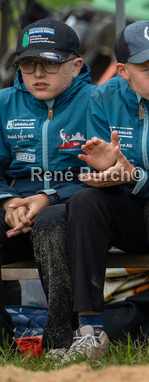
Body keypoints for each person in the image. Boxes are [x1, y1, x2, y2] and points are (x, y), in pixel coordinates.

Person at [57, 20, 149, 361]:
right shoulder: (103, 96)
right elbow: (92, 161)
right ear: (124, 71)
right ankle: (89, 330)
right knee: (84, 202)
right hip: (125, 214)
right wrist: (103, 169)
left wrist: (134, 175)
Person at [0, 20, 94, 351]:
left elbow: (101, 174)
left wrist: (48, 197)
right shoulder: (4, 102)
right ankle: (3, 343)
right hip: (17, 213)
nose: (38, 73)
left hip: (74, 211)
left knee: (52, 223)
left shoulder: (98, 101)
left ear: (76, 65)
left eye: (50, 64)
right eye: (28, 64)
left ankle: (61, 341)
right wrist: (8, 202)